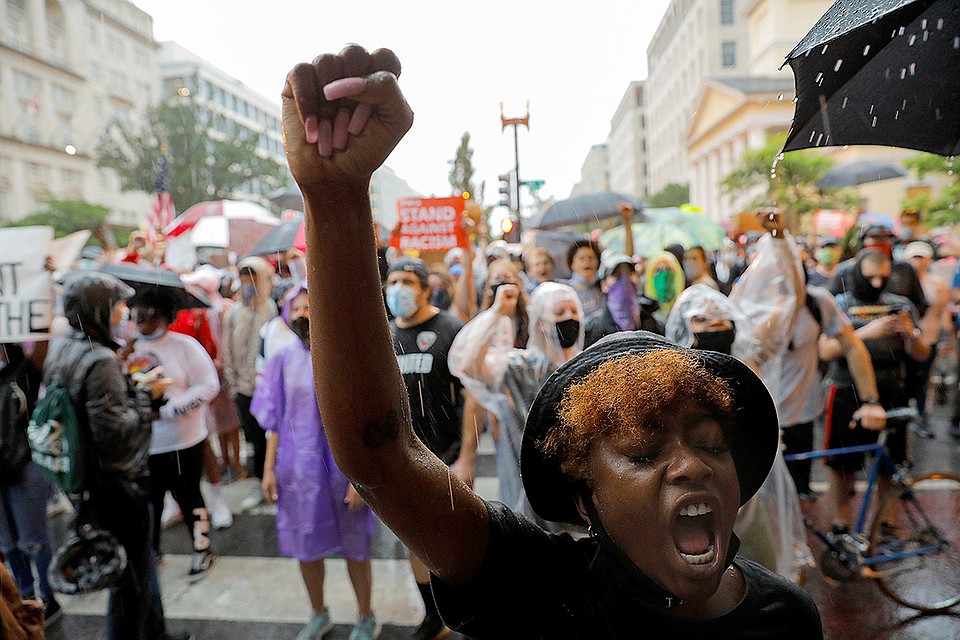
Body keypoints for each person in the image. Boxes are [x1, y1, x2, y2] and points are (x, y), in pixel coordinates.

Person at [282, 45, 822, 639]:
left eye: (713, 446)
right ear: (585, 502)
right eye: (643, 454)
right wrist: (335, 199)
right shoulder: (542, 589)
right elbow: (379, 452)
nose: (690, 466)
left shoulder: (787, 618)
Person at [43, 272, 190, 640]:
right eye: (116, 306)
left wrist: (128, 387)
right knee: (129, 583)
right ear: (97, 309)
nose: (124, 312)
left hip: (91, 481)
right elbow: (114, 434)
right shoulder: (100, 360)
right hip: (119, 483)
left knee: (140, 567)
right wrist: (145, 395)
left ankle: (156, 634)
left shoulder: (64, 348)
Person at [252, 283, 379, 640]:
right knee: (305, 545)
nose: (302, 315)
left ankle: (366, 616)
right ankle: (318, 614)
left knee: (356, 546)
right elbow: (274, 419)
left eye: (310, 307)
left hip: (345, 469)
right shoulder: (281, 358)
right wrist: (268, 469)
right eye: (296, 308)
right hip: (299, 471)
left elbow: (364, 420)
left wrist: (360, 478)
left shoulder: (346, 356)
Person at [384, 256, 476, 640]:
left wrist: (468, 455)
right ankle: (432, 614)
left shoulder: (451, 329)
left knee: (454, 539)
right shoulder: (385, 334)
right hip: (402, 460)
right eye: (391, 282)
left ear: (425, 288)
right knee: (415, 539)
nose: (397, 290)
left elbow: (472, 395)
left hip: (446, 455)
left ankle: (467, 612)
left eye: (406, 281)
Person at [449, 281, 584, 526]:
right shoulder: (524, 368)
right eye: (560, 312)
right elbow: (470, 366)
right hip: (531, 500)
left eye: (574, 312)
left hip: (577, 500)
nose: (570, 319)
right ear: (541, 322)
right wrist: (497, 313)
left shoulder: (586, 367)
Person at [821, 249, 929, 533]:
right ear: (858, 274)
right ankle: (841, 521)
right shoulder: (842, 304)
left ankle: (886, 522)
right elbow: (826, 350)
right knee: (842, 463)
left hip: (892, 388)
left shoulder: (900, 304)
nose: (877, 284)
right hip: (847, 389)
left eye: (883, 278)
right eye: (870, 278)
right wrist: (868, 332)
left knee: (890, 463)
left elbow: (921, 353)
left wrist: (910, 334)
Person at [127, 287, 220, 581]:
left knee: (190, 497)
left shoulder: (185, 346)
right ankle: (151, 553)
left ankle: (202, 548)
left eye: (148, 314)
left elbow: (208, 385)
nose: (141, 321)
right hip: (146, 445)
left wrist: (168, 409)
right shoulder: (129, 349)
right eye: (136, 314)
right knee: (149, 502)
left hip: (183, 441)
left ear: (164, 316)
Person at [0, 344, 60, 626]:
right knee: (7, 542)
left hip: (24, 464)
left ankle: (48, 596)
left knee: (33, 540)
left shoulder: (21, 371)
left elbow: (40, 349)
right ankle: (24, 596)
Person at [222, 256, 277, 512]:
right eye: (244, 279)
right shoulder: (234, 312)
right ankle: (258, 482)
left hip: (267, 389)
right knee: (254, 439)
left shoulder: (272, 311)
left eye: (253, 279)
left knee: (274, 437)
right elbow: (228, 349)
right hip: (243, 390)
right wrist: (234, 385)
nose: (248, 284)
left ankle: (274, 479)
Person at [585, 253, 662, 347]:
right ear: (604, 285)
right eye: (617, 275)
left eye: (629, 274)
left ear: (638, 281)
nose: (625, 281)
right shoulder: (592, 329)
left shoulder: (654, 325)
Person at [563, 239, 605, 318]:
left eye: (591, 258)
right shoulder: (566, 292)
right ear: (572, 264)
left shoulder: (604, 288)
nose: (587, 261)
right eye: (582, 258)